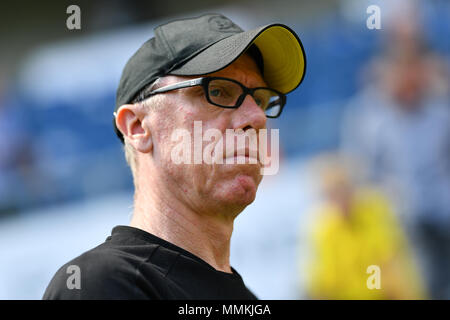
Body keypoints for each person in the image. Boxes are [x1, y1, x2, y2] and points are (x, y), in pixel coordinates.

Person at [43, 13, 306, 299]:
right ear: (138, 127)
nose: (256, 117)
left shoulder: (246, 300)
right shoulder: (101, 284)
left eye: (259, 99)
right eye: (217, 90)